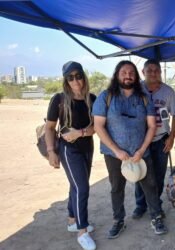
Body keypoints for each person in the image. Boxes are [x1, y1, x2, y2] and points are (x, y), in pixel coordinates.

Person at [92, 60, 167, 239]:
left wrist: (141, 150)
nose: (128, 76)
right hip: (113, 154)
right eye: (124, 72)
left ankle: (156, 216)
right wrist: (117, 151)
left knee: (150, 185)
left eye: (131, 73)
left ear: (136, 76)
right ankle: (118, 220)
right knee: (117, 187)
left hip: (140, 153)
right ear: (117, 75)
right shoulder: (106, 97)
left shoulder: (144, 98)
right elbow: (98, 126)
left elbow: (152, 126)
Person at [45, 61, 97, 250]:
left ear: (84, 76)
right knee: (82, 187)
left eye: (78, 75)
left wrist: (80, 133)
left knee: (76, 185)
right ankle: (82, 231)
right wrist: (51, 151)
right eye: (71, 77)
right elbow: (49, 127)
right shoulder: (59, 99)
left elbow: (96, 128)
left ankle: (72, 220)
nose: (75, 80)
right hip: (68, 149)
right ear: (66, 80)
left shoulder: (91, 98)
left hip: (87, 147)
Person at [132, 59, 175, 219]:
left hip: (161, 140)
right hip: (140, 141)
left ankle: (155, 203)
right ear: (143, 72)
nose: (153, 73)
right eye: (149, 70)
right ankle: (140, 205)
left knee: (158, 175)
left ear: (160, 72)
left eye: (156, 70)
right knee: (140, 174)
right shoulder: (135, 89)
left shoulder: (168, 92)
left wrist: (171, 137)